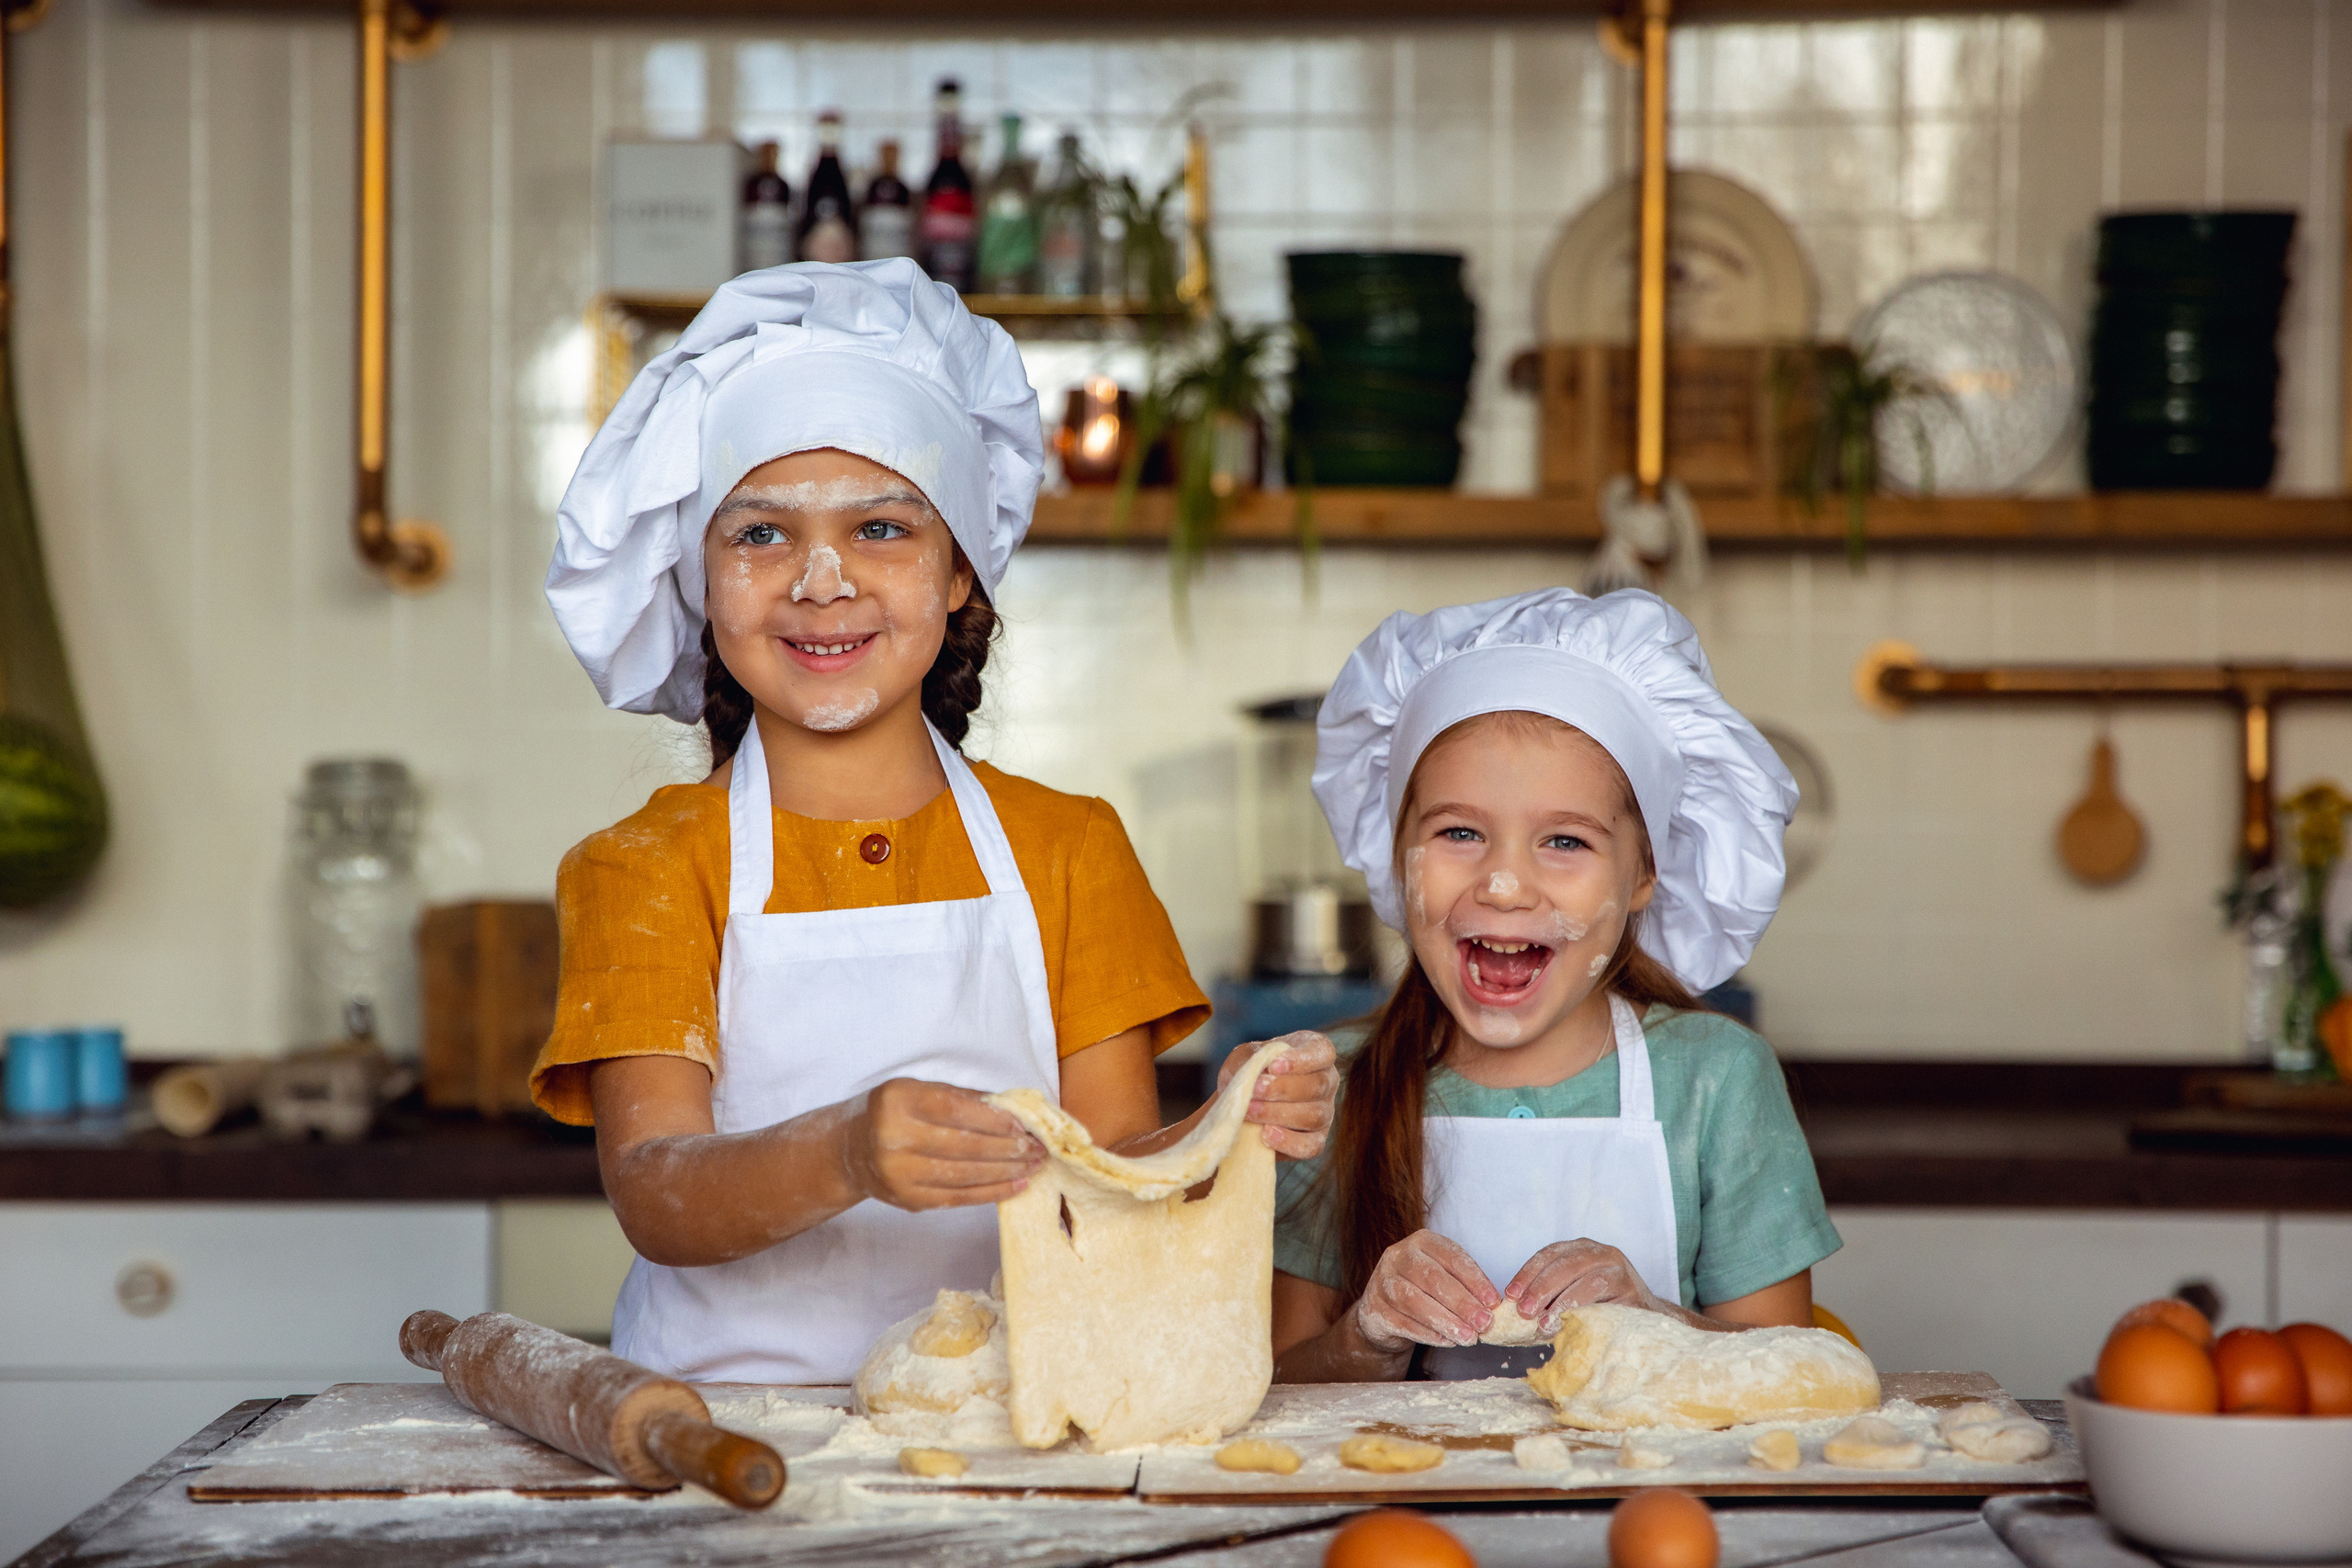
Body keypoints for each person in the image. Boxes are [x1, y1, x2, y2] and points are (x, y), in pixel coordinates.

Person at [531, 259, 1338, 1383]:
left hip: (1010, 1415)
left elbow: (1113, 1183)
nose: (822, 581)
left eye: (881, 529)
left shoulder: (1068, 846)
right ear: (699, 580)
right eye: (760, 535)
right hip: (731, 1428)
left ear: (959, 568)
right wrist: (844, 1150)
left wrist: (1227, 1130)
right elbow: (658, 1193)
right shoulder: (648, 866)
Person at [1270, 588, 1838, 1382]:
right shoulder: (1331, 1086)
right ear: (1398, 856)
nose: (1504, 885)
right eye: (1459, 832)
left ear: (1643, 874)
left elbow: (1791, 1373)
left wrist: (1655, 1322)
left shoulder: (1716, 1077)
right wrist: (1366, 1335)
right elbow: (1275, 1383)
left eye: (1565, 840)